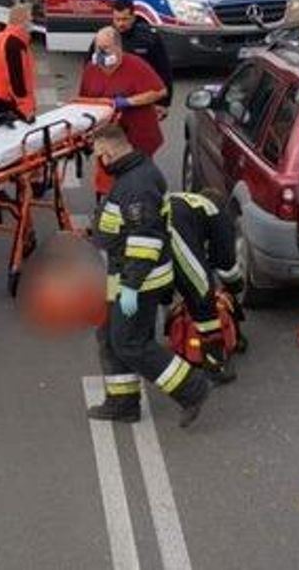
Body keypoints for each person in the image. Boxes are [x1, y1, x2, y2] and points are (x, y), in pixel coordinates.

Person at [87, 125, 211, 426]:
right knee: (108, 334)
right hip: (120, 272)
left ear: (109, 151)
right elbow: (126, 227)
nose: (98, 161)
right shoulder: (134, 173)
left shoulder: (136, 185)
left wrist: (130, 287)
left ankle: (192, 389)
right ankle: (123, 401)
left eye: (98, 155)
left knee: (132, 342)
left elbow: (146, 241)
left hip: (139, 279)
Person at [78, 26, 167, 198]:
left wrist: (128, 102)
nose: (100, 53)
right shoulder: (91, 69)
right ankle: (106, 207)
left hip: (136, 136)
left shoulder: (136, 65)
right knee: (106, 177)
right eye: (98, 49)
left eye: (105, 49)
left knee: (136, 180)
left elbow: (159, 91)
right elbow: (83, 99)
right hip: (106, 135)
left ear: (118, 48)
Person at [168, 190, 242, 383]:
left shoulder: (186, 201)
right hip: (171, 231)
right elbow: (226, 262)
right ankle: (215, 365)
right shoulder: (218, 214)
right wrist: (235, 285)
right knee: (202, 293)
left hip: (148, 229)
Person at [106, 0, 174, 111]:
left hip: (143, 98)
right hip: (113, 99)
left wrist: (163, 104)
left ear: (133, 17)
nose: (121, 23)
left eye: (125, 19)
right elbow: (91, 69)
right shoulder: (105, 37)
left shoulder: (148, 38)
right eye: (117, 19)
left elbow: (164, 71)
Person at [0, 3, 36, 126]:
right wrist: (26, 109)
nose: (32, 19)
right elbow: (17, 80)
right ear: (22, 20)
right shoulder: (15, 44)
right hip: (8, 104)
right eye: (29, 17)